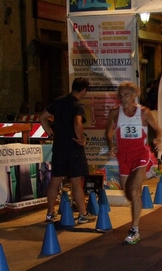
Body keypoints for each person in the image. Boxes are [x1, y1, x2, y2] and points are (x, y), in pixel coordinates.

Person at [105, 81, 162, 245]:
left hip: (140, 154)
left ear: (134, 95)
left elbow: (157, 129)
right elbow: (109, 131)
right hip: (123, 156)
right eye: (120, 95)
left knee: (134, 191)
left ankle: (134, 230)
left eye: (126, 95)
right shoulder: (115, 112)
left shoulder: (143, 112)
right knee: (128, 194)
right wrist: (111, 145)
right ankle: (147, 175)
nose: (122, 98)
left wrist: (157, 138)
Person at [39, 77, 96, 224]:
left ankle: (50, 213)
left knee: (55, 180)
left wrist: (51, 134)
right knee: (76, 181)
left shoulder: (59, 101)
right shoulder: (78, 106)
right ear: (84, 90)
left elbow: (42, 117)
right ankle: (83, 214)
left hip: (59, 147)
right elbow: (77, 123)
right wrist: (81, 139)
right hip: (73, 148)